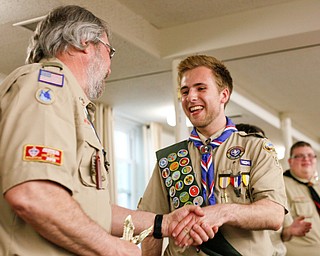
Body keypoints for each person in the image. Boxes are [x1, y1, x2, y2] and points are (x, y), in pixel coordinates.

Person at [0, 6, 214, 255]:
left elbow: (94, 212)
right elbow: (33, 194)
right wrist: (111, 248)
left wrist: (163, 223)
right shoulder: (46, 86)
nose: (110, 69)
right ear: (84, 43)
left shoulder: (73, 104)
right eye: (109, 51)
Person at [138, 55, 288, 256]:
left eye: (201, 88)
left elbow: (274, 214)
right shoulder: (171, 159)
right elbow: (150, 223)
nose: (190, 97)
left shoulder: (256, 148)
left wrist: (222, 212)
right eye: (185, 91)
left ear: (223, 95)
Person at [235, 123, 312, 256]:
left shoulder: (273, 184)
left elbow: (282, 234)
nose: (260, 151)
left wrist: (291, 231)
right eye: (253, 145)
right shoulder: (226, 186)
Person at [283, 141, 320, 256]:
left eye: (310, 155)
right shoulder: (281, 185)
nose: (306, 159)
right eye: (300, 156)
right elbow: (276, 232)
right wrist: (289, 230)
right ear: (290, 162)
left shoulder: (317, 186)